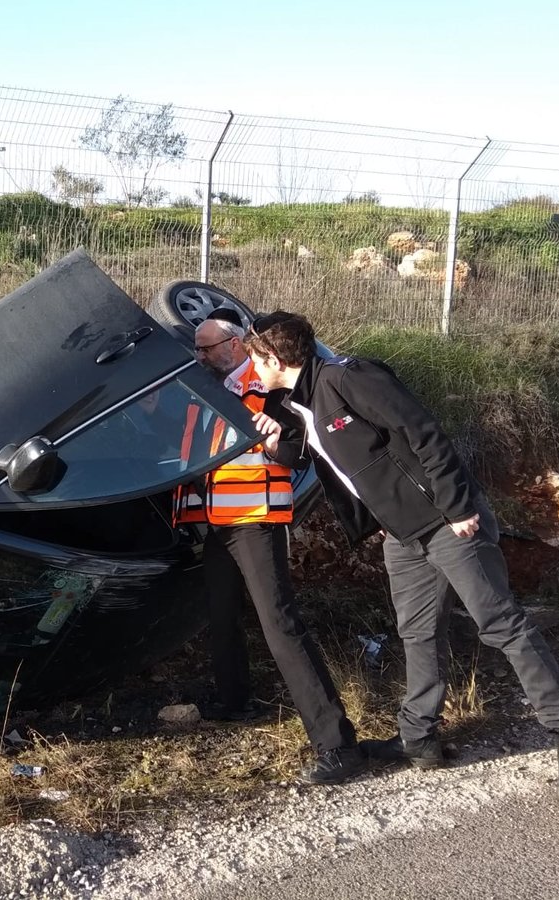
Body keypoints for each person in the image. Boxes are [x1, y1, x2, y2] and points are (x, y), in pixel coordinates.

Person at [242, 310, 559, 808]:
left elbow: (425, 432)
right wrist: (274, 442)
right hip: (403, 533)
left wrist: (458, 506)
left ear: (273, 358)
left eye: (255, 361)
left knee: (501, 625)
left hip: (447, 520)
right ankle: (418, 738)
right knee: (417, 632)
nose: (253, 372)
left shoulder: (350, 377)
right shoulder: (299, 402)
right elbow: (314, 456)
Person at [174, 310, 366, 785]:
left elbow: (299, 449)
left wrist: (273, 439)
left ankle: (337, 744)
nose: (200, 355)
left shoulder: (271, 389)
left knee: (280, 626)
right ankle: (234, 701)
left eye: (208, 347)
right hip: (216, 522)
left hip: (255, 522)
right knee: (220, 615)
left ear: (236, 345)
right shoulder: (204, 392)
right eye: (197, 348)